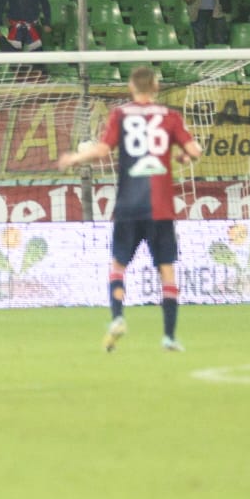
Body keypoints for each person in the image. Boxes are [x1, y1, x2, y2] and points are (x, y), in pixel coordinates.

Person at [56, 65, 204, 353]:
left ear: (131, 87)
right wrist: (185, 156)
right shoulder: (171, 117)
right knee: (167, 271)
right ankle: (169, 337)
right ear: (157, 87)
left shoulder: (120, 115)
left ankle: (118, 317)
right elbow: (195, 151)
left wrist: (74, 157)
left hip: (128, 206)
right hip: (160, 208)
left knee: (118, 266)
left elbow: (101, 151)